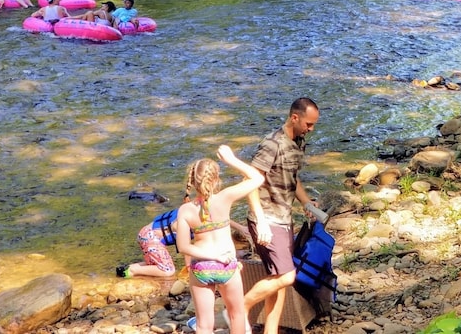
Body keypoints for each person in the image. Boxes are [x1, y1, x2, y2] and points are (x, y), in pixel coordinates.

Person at [243, 99, 322, 334]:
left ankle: (271, 330)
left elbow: (292, 177)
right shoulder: (272, 144)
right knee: (287, 277)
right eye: (308, 124)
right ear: (294, 117)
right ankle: (238, 307)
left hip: (284, 218)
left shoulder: (298, 142)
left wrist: (306, 202)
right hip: (266, 219)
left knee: (277, 281)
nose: (311, 129)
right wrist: (262, 222)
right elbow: (251, 182)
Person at [176, 145, 264, 334]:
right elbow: (258, 178)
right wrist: (231, 159)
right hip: (227, 265)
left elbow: (183, 246)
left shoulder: (185, 210)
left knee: (203, 325)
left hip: (201, 267)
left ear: (192, 180)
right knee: (237, 315)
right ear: (216, 179)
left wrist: (211, 255)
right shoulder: (226, 197)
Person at [117, 206, 185, 279]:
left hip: (145, 234)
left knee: (155, 264)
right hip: (151, 237)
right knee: (168, 270)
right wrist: (188, 268)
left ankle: (125, 270)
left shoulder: (186, 211)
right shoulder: (185, 221)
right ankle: (132, 270)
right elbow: (185, 248)